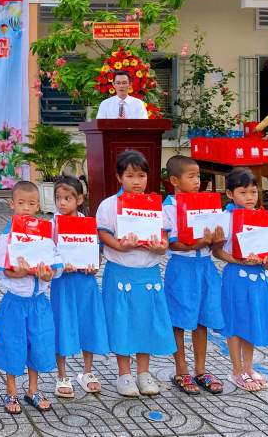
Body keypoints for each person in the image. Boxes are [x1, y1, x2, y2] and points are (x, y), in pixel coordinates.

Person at [95, 149, 174, 397]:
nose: (136, 182)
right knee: (122, 321)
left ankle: (143, 372)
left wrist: (162, 246)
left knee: (146, 322)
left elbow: (164, 236)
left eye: (141, 175)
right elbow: (103, 233)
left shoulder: (155, 205)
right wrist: (119, 245)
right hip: (121, 272)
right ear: (119, 177)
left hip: (148, 273)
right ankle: (124, 375)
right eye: (130, 176)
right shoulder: (109, 205)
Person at [0, 181, 60, 415]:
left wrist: (48, 274)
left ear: (38, 206)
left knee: (37, 344)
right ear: (12, 204)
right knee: (13, 344)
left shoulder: (45, 233)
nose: (26, 208)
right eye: (21, 203)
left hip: (39, 302)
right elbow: (0, 266)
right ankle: (11, 391)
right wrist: (16, 272)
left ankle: (33, 389)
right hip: (15, 302)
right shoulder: (7, 234)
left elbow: (54, 266)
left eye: (31, 204)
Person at [213, 168, 268, 391]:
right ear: (230, 194)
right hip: (236, 277)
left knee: (251, 320)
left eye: (254, 192)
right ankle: (236, 371)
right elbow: (216, 250)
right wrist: (238, 260)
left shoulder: (263, 217)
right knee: (235, 323)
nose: (250, 197)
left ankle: (248, 366)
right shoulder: (225, 218)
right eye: (243, 192)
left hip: (259, 278)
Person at [160, 155, 225, 396]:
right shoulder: (169, 206)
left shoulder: (207, 203)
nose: (197, 181)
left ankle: (201, 369)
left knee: (202, 318)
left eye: (199, 176)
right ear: (175, 180)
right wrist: (196, 244)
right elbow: (172, 244)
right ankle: (181, 369)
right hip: (182, 268)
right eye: (191, 176)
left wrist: (218, 238)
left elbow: (218, 241)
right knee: (179, 319)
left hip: (206, 267)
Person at [49, 175, 109, 399]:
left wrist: (93, 266)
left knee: (88, 324)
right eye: (58, 198)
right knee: (62, 324)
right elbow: (48, 253)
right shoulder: (53, 225)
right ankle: (62, 375)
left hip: (86, 284)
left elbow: (96, 254)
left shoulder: (88, 224)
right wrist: (61, 265)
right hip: (62, 284)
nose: (62, 203)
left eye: (67, 198)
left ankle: (87, 371)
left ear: (80, 199)